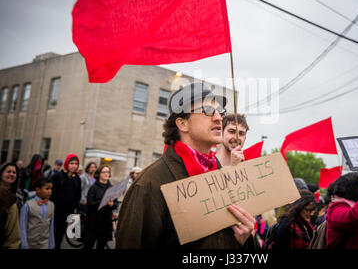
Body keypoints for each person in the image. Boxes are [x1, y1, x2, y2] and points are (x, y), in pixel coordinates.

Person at [116, 83, 256, 248]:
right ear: (182, 124)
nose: (219, 118)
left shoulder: (220, 175)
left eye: (220, 112)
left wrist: (242, 241)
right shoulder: (149, 184)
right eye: (208, 111)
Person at [50, 153, 81, 249]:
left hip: (67, 212)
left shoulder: (77, 179)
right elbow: (51, 193)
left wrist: (73, 209)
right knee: (52, 233)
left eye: (76, 163)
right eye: (71, 163)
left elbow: (77, 196)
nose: (74, 165)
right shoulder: (57, 176)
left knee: (60, 233)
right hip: (55, 210)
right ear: (67, 164)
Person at [84, 165, 117, 249]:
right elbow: (90, 204)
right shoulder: (93, 188)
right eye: (104, 172)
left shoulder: (112, 188)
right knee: (88, 245)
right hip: (93, 222)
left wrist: (112, 204)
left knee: (101, 246)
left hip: (106, 222)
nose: (107, 174)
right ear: (99, 174)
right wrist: (103, 201)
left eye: (108, 172)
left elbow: (116, 204)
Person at [19, 177, 55, 249]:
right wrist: (24, 244)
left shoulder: (52, 205)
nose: (50, 191)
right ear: (38, 190)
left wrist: (51, 244)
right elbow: (22, 226)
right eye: (47, 189)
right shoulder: (28, 205)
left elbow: (51, 226)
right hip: (30, 243)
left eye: (51, 189)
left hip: (44, 244)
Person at [0, 162, 21, 248]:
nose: (11, 174)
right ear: (1, 174)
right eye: (8, 171)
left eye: (14, 172)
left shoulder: (16, 197)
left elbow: (13, 235)